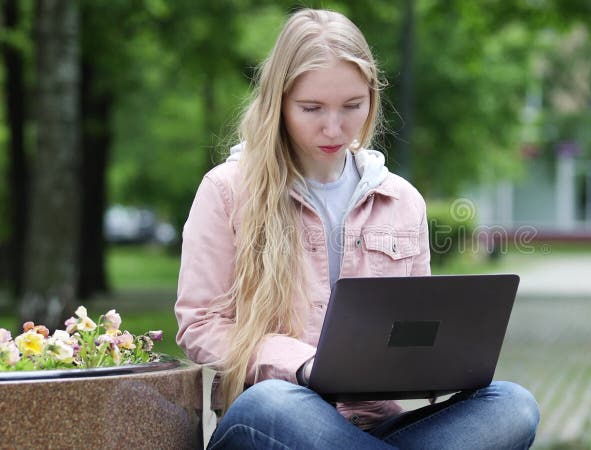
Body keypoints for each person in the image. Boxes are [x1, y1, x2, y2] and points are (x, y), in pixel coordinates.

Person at [175, 8, 539, 449]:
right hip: (275, 423)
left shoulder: (402, 201)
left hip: (373, 427)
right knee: (271, 403)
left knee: (513, 405)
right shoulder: (228, 190)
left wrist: (441, 364)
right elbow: (200, 325)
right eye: (311, 108)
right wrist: (304, 365)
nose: (334, 127)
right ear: (279, 102)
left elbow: (417, 329)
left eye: (352, 106)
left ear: (372, 97)